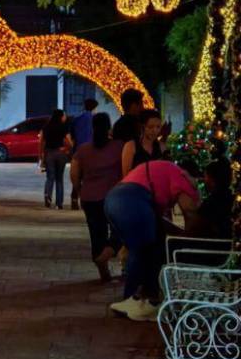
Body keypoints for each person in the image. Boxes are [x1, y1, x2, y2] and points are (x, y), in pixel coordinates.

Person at [105, 158, 201, 321]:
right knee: (144, 249)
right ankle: (140, 301)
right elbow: (189, 212)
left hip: (113, 199)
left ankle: (138, 299)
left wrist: (175, 233)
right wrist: (190, 237)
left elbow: (161, 223)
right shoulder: (183, 178)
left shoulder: (166, 170)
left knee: (146, 246)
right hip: (133, 200)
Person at [69, 112, 123, 281]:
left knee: (96, 234)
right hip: (113, 197)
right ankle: (106, 255)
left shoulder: (83, 149)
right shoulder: (119, 146)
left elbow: (74, 173)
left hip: (89, 198)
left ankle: (103, 271)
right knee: (120, 231)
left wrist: (78, 190)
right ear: (109, 127)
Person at [38, 109, 73, 209]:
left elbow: (41, 142)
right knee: (59, 179)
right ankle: (59, 203)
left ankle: (47, 196)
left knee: (50, 177)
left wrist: (40, 155)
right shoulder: (64, 127)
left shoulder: (46, 127)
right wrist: (67, 149)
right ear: (60, 116)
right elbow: (69, 142)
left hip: (49, 153)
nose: (65, 117)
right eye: (64, 115)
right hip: (61, 153)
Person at [191, 159, 234, 240]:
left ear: (212, 180)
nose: (204, 180)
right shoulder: (233, 200)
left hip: (211, 249)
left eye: (205, 176)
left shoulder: (210, 203)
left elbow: (194, 229)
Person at [120, 108, 165, 175]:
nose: (155, 131)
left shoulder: (161, 147)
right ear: (142, 127)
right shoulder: (131, 146)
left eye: (158, 127)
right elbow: (126, 174)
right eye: (150, 127)